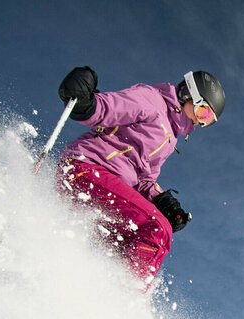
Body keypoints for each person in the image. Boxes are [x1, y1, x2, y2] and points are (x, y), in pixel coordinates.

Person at [54, 66, 225, 288]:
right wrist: (86, 104)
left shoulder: (170, 139)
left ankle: (87, 291)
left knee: (125, 244)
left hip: (104, 187)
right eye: (203, 113)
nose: (200, 123)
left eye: (208, 121)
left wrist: (162, 201)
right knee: (157, 229)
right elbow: (110, 108)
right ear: (188, 95)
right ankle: (123, 297)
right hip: (86, 169)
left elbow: (143, 179)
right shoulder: (152, 100)